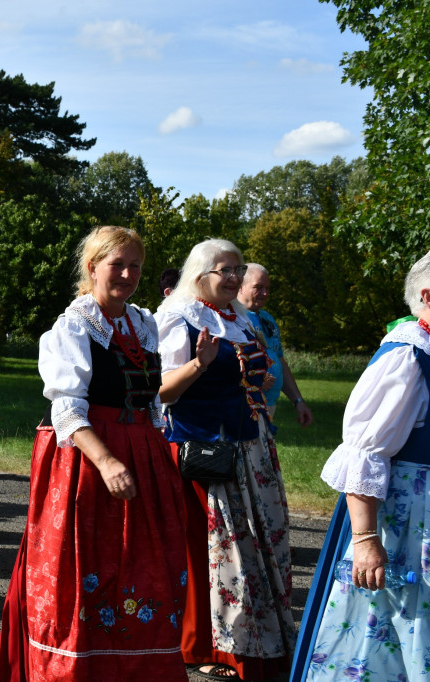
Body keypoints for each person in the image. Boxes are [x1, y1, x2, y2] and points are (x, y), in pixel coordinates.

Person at [0, 226, 188, 681]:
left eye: (134, 265)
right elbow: (67, 408)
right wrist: (106, 461)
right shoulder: (74, 325)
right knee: (84, 571)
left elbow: (151, 399)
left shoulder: (143, 323)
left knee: (144, 567)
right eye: (116, 264)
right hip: (88, 459)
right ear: (92, 267)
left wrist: (155, 452)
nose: (126, 273)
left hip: (142, 453)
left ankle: (138, 668)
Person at [156, 239, 294, 680]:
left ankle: (261, 638)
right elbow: (161, 392)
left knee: (259, 544)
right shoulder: (178, 317)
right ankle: (210, 644)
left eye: (238, 269)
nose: (234, 278)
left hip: (250, 444)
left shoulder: (243, 318)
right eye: (225, 270)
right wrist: (199, 365)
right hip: (206, 448)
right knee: (218, 551)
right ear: (200, 275)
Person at [291, 252, 430, 681]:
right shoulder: (408, 356)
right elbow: (365, 451)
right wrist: (366, 540)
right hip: (408, 527)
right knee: (390, 639)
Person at [238, 263, 314, 425]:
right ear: (240, 287)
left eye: (267, 288)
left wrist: (298, 401)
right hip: (244, 407)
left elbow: (279, 360)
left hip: (269, 405)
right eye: (258, 287)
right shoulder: (232, 318)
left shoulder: (267, 319)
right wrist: (253, 380)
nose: (265, 293)